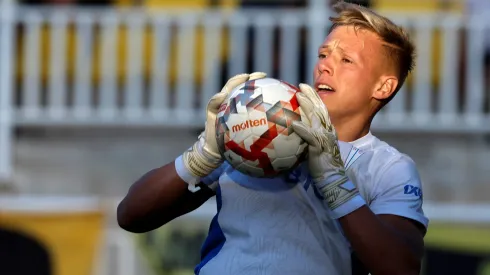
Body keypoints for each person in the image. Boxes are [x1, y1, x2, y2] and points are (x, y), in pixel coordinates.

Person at [117, 2, 429, 275]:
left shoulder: (389, 167)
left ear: (383, 87)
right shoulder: (254, 131)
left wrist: (334, 182)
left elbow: (401, 267)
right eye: (323, 54)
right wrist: (202, 155)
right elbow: (131, 215)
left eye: (346, 61)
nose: (325, 66)